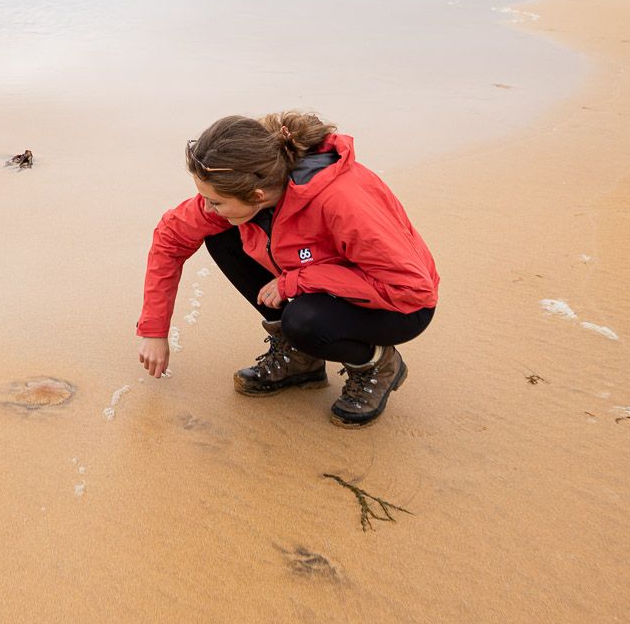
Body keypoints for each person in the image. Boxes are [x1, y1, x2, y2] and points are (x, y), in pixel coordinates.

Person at [135, 111, 438, 426]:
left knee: (304, 322)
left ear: (257, 195)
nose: (207, 207)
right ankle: (300, 360)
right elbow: (170, 238)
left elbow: (413, 289)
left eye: (215, 201)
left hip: (401, 306)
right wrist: (155, 331)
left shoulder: (342, 202)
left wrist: (296, 282)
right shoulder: (250, 187)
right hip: (325, 282)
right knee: (222, 236)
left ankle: (377, 364)